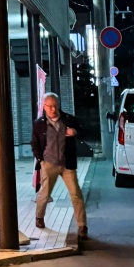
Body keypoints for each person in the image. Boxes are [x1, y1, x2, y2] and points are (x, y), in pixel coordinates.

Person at [31, 93, 87, 238]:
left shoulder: (69, 120)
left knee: (76, 194)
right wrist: (40, 159)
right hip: (49, 163)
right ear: (44, 107)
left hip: (67, 164)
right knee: (45, 193)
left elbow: (83, 133)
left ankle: (82, 226)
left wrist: (74, 132)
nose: (53, 109)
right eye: (49, 106)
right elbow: (35, 143)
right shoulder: (39, 124)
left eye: (55, 105)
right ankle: (39, 217)